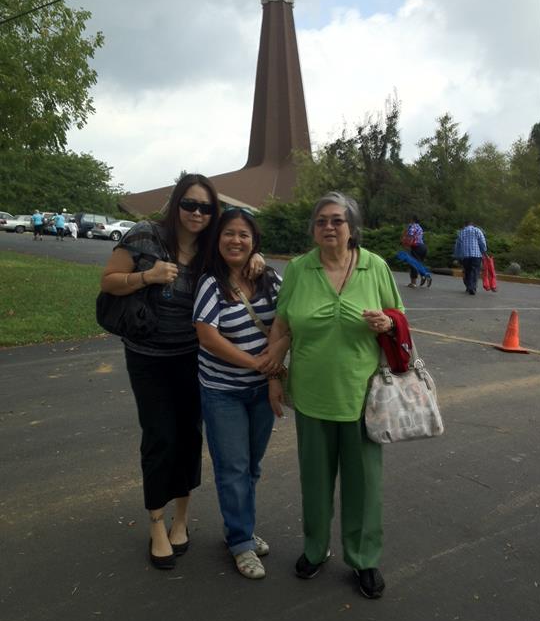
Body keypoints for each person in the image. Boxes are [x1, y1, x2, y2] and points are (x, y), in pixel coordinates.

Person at [100, 174, 266, 570]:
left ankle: (181, 519)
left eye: (205, 207)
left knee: (189, 437)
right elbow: (108, 282)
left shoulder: (210, 248)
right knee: (160, 437)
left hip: (193, 358)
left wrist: (256, 257)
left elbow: (238, 253)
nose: (196, 213)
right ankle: (156, 523)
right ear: (176, 204)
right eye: (189, 204)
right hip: (148, 358)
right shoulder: (146, 235)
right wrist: (148, 276)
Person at [268, 191, 404, 599]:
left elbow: (398, 317)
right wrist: (274, 377)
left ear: (352, 228)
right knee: (314, 481)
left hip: (363, 396)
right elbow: (281, 326)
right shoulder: (299, 269)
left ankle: (364, 558)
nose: (328, 227)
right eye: (321, 221)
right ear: (313, 229)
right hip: (311, 396)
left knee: (364, 485)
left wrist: (386, 324)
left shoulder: (374, 266)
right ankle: (315, 548)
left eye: (337, 220)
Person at [193, 208, 286, 580]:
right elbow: (207, 336)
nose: (236, 240)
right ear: (217, 239)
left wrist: (272, 371)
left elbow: (287, 321)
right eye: (229, 233)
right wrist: (257, 364)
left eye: (244, 235)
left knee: (252, 466)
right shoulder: (210, 283)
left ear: (254, 241)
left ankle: (240, 526)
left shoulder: (269, 278)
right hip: (223, 392)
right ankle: (240, 541)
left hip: (261, 391)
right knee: (233, 468)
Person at [454, 221, 487, 295]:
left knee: (467, 271)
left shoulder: (461, 232)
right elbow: (482, 242)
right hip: (476, 255)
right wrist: (484, 251)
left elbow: (457, 245)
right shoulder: (477, 230)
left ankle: (468, 286)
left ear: (465, 225)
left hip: (465, 256)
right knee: (475, 271)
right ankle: (473, 287)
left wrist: (457, 256)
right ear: (473, 225)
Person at [403, 216, 430, 287]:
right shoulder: (420, 227)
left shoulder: (412, 227)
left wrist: (406, 246)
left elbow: (410, 236)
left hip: (416, 247)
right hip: (423, 247)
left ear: (412, 220)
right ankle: (425, 276)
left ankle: (413, 283)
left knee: (413, 264)